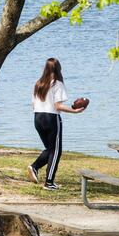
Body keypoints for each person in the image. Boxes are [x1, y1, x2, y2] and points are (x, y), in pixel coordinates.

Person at [28, 58, 85, 191]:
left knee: (50, 149)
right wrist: (74, 111)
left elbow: (33, 104)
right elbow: (58, 106)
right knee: (56, 151)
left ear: (45, 68)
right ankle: (49, 182)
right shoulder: (57, 84)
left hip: (37, 117)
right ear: (59, 69)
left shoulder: (38, 83)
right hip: (51, 118)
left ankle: (34, 167)